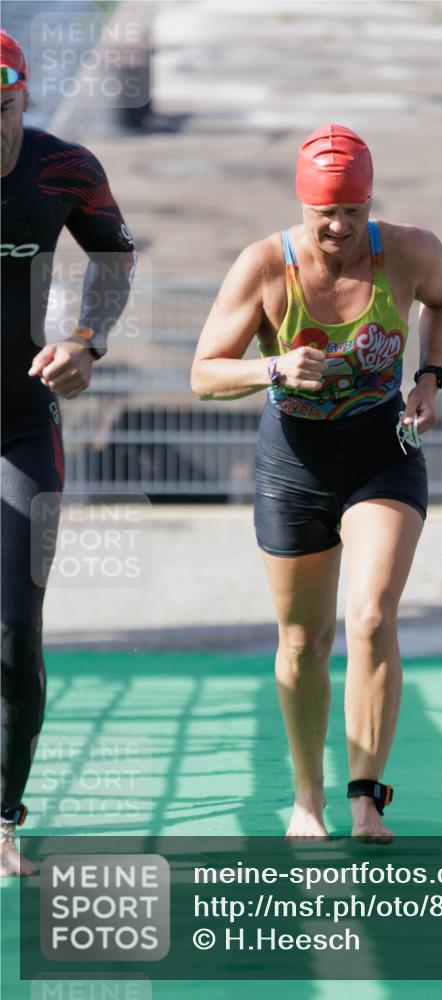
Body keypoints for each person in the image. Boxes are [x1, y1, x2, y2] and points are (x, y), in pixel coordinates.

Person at [191, 124, 442, 843]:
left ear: (369, 203)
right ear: (301, 205)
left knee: (371, 615)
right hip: (293, 466)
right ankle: (306, 800)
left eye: (353, 211)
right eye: (324, 215)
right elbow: (204, 373)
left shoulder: (408, 250)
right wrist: (270, 368)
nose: (339, 228)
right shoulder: (262, 267)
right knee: (303, 641)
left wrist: (429, 377)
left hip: (380, 452)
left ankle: (365, 797)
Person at [0, 31, 136, 875]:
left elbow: (116, 257)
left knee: (16, 632)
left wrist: (87, 340)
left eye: (1, 110)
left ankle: (2, 814)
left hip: (21, 428)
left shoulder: (63, 169)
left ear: (22, 100)